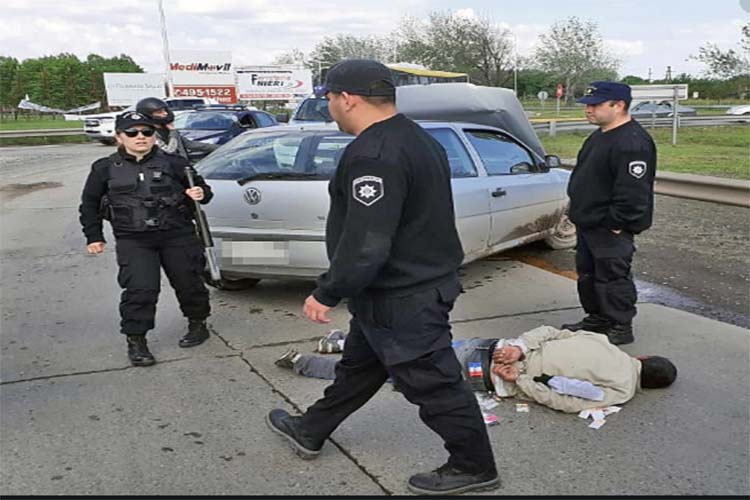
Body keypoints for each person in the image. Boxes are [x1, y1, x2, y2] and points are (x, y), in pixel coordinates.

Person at [264, 59, 498, 496]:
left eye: (330, 98)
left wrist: (327, 291)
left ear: (347, 98)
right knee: (358, 368)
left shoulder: (374, 153)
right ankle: (310, 429)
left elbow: (368, 241)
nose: (330, 106)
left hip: (403, 296)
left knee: (434, 382)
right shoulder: (417, 137)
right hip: (397, 290)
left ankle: (474, 465)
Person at [276, 326, 678, 413]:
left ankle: (343, 341)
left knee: (414, 342)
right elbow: (567, 400)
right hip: (490, 376)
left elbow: (551, 333)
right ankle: (306, 364)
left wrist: (517, 349)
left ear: (642, 359)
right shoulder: (621, 393)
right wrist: (517, 379)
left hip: (493, 348)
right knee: (392, 374)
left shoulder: (602, 341)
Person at [78, 111, 214, 367]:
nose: (140, 137)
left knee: (189, 283)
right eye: (132, 132)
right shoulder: (104, 168)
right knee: (140, 289)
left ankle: (198, 324)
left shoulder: (175, 164)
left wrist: (199, 192)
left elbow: (205, 193)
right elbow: (89, 204)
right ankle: (136, 340)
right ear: (119, 136)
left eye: (146, 132)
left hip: (177, 234)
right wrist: (93, 236)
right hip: (134, 239)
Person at [562, 81, 657, 346]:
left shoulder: (632, 142)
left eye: (595, 105)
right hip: (589, 222)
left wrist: (616, 222)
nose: (588, 110)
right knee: (589, 276)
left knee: (613, 278)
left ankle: (619, 325)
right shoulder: (600, 135)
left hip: (608, 226)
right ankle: (597, 318)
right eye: (588, 105)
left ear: (619, 105)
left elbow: (633, 191)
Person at [135, 97, 218, 163]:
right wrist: (173, 132)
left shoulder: (166, 128)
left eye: (165, 110)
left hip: (181, 166)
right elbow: (169, 151)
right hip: (166, 169)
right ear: (148, 115)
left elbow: (190, 144)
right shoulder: (149, 133)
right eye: (159, 112)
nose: (165, 114)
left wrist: (222, 149)